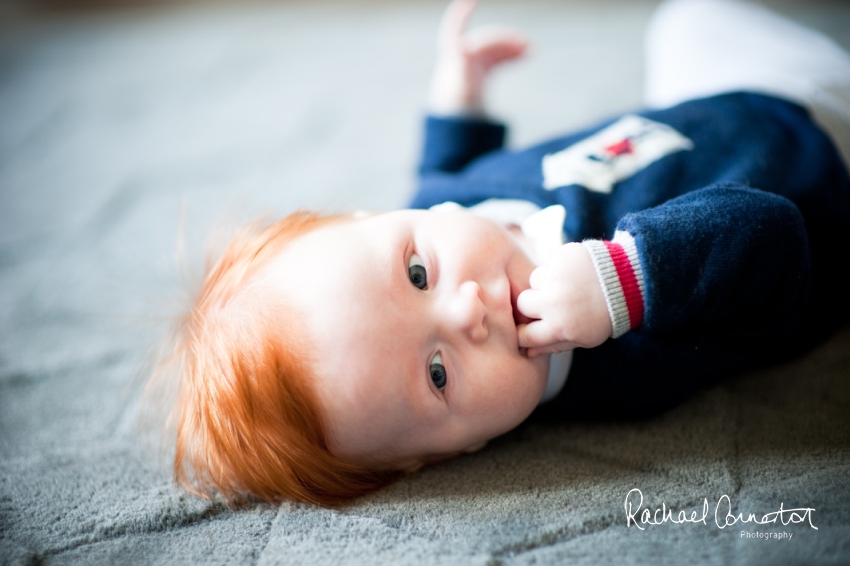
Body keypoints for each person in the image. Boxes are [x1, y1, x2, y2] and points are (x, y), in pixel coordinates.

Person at [157, 0, 850, 506]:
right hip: (818, 151)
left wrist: (459, 91)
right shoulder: (625, 363)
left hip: (704, 103)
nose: (466, 310)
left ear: (382, 219)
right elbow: (775, 239)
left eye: (418, 274)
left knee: (688, 18)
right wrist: (629, 283)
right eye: (437, 374)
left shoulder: (437, 210)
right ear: (458, 450)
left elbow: (441, 173)